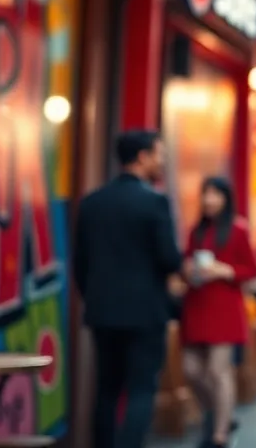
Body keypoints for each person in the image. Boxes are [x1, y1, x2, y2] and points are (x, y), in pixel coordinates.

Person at [73, 130, 182, 448]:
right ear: (143, 157)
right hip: (145, 313)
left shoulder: (93, 203)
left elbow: (81, 263)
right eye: (159, 154)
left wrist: (95, 296)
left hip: (102, 311)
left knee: (106, 390)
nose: (162, 162)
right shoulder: (155, 202)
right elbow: (170, 259)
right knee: (141, 390)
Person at [179, 177, 256, 448]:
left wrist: (226, 270)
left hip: (225, 306)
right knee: (190, 369)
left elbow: (252, 269)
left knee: (218, 369)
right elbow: (186, 262)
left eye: (215, 194)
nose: (209, 200)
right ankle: (218, 414)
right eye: (206, 194)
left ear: (226, 198)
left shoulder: (238, 229)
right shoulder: (196, 231)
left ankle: (220, 434)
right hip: (197, 304)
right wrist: (188, 269)